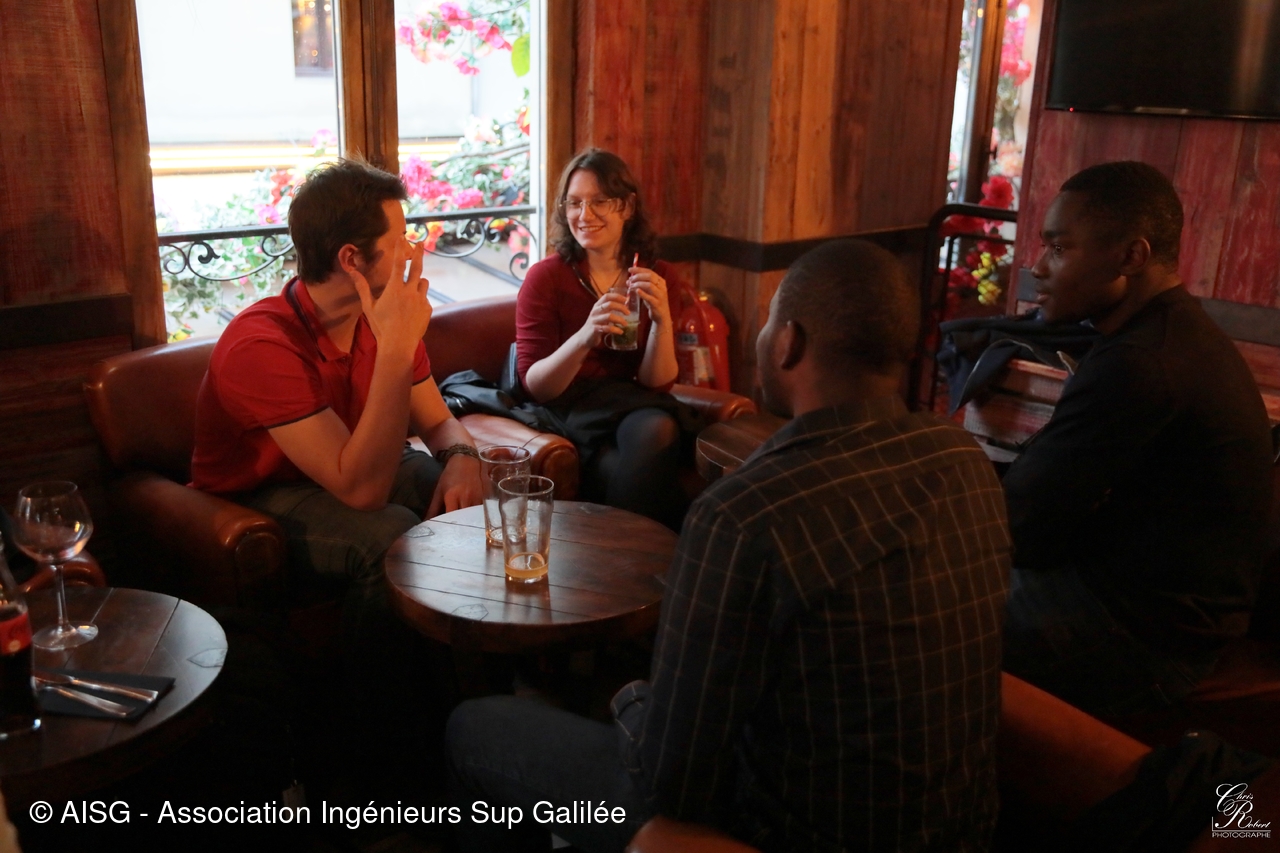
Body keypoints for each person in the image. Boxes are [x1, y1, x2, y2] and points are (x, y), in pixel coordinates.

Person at [446, 239, 1011, 852]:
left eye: (767, 320)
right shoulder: (965, 462)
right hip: (959, 832)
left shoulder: (746, 513)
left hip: (781, 830)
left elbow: (673, 779)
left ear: (788, 342)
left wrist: (625, 697)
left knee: (477, 725)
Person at [189, 158, 482, 749]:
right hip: (259, 497)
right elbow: (363, 491)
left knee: (468, 506)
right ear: (352, 258)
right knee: (388, 535)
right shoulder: (261, 342)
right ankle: (382, 741)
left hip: (348, 466)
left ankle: (475, 708)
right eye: (400, 239)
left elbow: (438, 422)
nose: (414, 250)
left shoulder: (379, 318)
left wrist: (464, 458)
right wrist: (397, 347)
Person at [1002, 161, 1274, 718]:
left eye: (1059, 248)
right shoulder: (1171, 332)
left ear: (1131, 256)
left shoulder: (1141, 362)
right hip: (1161, 609)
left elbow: (1023, 529)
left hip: (1151, 641)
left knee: (918, 607)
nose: (1038, 267)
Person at [515, 148, 688, 528]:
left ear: (627, 207)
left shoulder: (657, 276)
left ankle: (629, 555)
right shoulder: (547, 278)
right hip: (568, 408)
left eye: (599, 202)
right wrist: (586, 336)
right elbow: (536, 387)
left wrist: (661, 320)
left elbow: (657, 382)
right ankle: (644, 556)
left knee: (658, 429)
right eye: (574, 203)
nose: (584, 214)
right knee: (649, 476)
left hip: (629, 402)